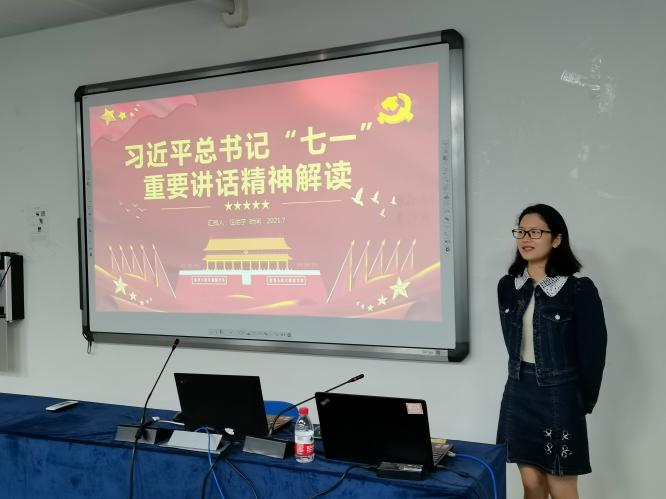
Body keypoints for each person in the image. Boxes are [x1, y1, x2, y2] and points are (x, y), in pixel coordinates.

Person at [496, 204, 607, 499]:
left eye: (535, 232)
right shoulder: (508, 287)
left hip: (560, 394)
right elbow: (512, 342)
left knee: (562, 488)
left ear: (556, 239)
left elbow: (594, 352)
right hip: (518, 391)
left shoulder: (577, 290)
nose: (525, 238)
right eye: (521, 231)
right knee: (531, 484)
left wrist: (582, 401)